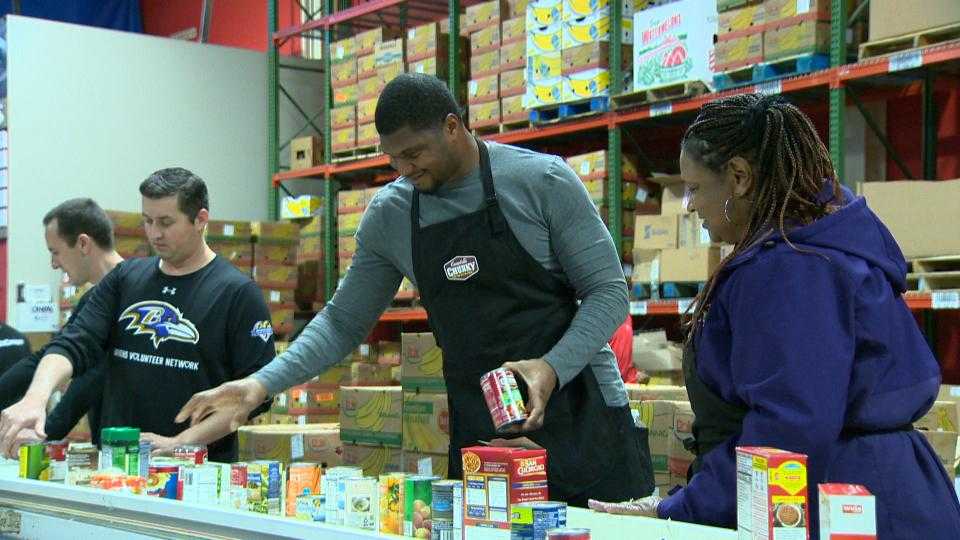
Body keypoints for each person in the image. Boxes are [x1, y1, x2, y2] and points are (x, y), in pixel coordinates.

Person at [175, 73, 654, 505]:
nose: (403, 168)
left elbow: (609, 292)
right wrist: (259, 384)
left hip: (583, 416)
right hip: (483, 431)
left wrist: (551, 368)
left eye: (413, 154)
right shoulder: (393, 214)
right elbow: (342, 321)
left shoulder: (540, 181)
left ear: (452, 126)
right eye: (393, 157)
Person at [589, 93, 960, 538]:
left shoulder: (790, 268)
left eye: (695, 188)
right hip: (882, 493)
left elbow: (789, 426)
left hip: (845, 507)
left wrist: (685, 506)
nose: (690, 206)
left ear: (740, 177)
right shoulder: (819, 244)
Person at [0, 168, 275, 461]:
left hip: (196, 473)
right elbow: (73, 343)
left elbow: (254, 394)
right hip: (118, 469)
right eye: (148, 221)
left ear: (200, 220)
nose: (155, 233)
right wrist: (35, 400)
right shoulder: (125, 278)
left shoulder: (237, 293)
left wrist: (180, 442)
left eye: (166, 222)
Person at [0, 198, 123, 448]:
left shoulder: (132, 294)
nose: (54, 263)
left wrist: (44, 430)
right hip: (109, 447)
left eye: (55, 252)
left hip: (142, 452)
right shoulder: (93, 298)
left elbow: (93, 377)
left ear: (83, 244)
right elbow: (46, 355)